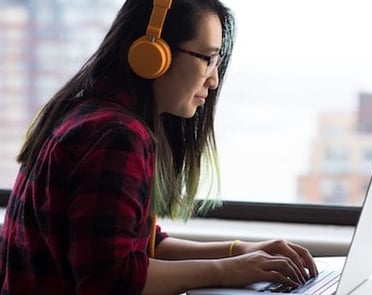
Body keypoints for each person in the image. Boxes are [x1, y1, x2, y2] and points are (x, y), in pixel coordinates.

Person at [0, 0, 318, 293]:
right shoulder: (116, 136)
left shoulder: (89, 114)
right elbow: (112, 277)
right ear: (152, 55)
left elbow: (141, 246)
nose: (214, 80)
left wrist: (240, 251)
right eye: (207, 58)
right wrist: (226, 270)